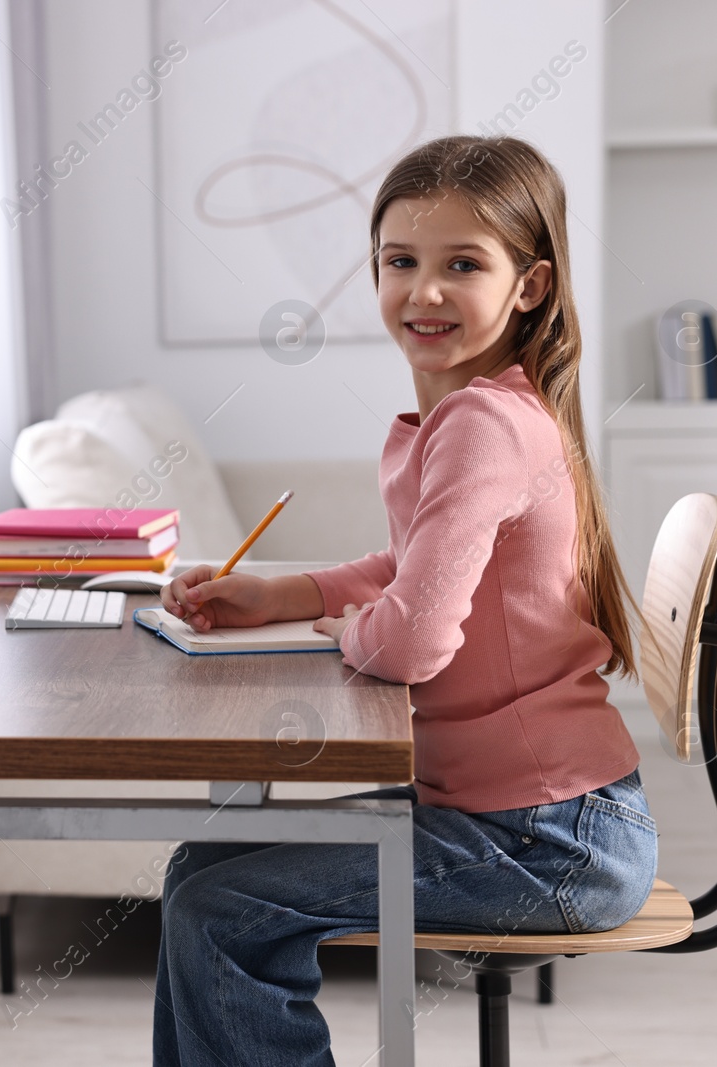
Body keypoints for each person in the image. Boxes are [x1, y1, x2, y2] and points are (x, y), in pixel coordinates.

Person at [152, 135, 657, 1066]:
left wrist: (360, 632)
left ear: (530, 285)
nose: (424, 292)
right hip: (529, 821)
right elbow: (407, 562)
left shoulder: (482, 425)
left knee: (221, 909)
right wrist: (281, 593)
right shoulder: (477, 409)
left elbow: (412, 638)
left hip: (549, 841)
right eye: (401, 262)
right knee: (201, 867)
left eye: (462, 264)